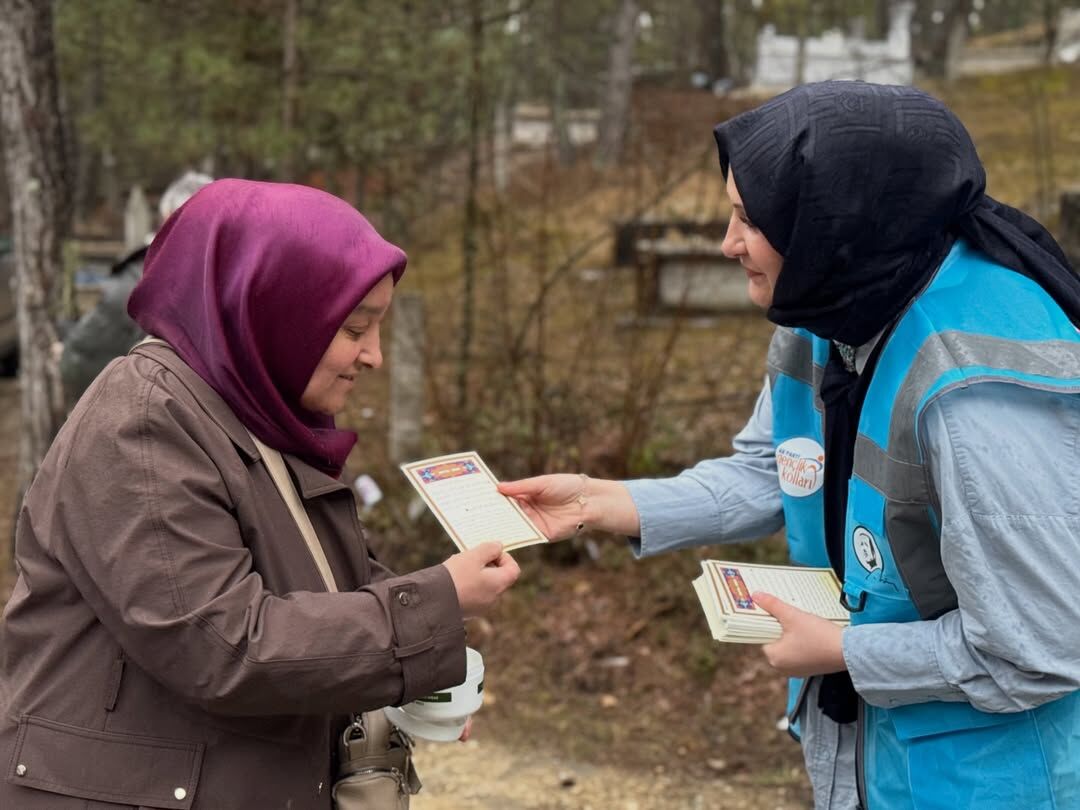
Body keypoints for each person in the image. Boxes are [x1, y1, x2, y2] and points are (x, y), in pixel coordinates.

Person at [500, 81, 1080, 809]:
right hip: (876, 760)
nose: (728, 244)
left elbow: (1040, 648)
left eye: (750, 219)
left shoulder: (976, 392)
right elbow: (775, 471)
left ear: (828, 218)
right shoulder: (835, 301)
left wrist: (843, 651)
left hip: (993, 783)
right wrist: (597, 502)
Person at [0, 179, 520, 809]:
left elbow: (322, 586)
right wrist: (430, 606)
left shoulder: (257, 411)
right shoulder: (143, 421)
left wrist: (420, 669)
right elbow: (222, 645)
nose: (374, 355)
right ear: (271, 308)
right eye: (355, 328)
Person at [59, 170, 214, 409]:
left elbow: (78, 362)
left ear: (168, 217)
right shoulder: (232, 281)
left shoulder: (138, 280)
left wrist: (65, 350)